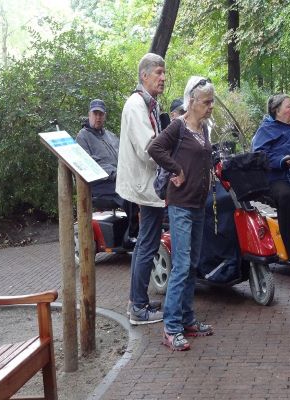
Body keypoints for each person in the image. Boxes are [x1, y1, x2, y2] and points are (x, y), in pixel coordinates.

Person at [148, 76, 215, 351]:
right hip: (181, 206)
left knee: (193, 264)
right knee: (182, 264)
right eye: (206, 102)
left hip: (199, 204)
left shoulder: (203, 129)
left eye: (212, 102)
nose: (211, 106)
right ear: (191, 102)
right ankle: (171, 327)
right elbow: (154, 148)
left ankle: (187, 319)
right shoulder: (179, 126)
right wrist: (176, 170)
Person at [116, 53, 166, 325]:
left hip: (146, 184)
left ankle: (138, 301)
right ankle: (138, 307)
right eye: (158, 72)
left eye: (163, 72)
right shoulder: (136, 105)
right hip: (145, 186)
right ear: (144, 75)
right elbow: (149, 148)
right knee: (147, 244)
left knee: (145, 243)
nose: (163, 78)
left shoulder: (147, 104)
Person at [75, 99, 139, 248]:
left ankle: (144, 229)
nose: (98, 117)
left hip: (120, 178)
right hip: (99, 185)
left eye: (101, 114)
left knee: (141, 187)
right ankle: (130, 236)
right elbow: (90, 163)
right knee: (127, 194)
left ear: (105, 116)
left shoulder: (110, 135)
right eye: (95, 113)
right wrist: (115, 173)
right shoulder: (82, 137)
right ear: (89, 114)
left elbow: (125, 154)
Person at [251, 94, 290, 263]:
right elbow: (259, 156)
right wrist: (282, 160)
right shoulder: (266, 129)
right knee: (288, 197)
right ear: (276, 111)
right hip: (274, 179)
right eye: (289, 106)